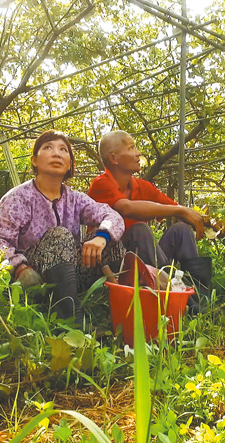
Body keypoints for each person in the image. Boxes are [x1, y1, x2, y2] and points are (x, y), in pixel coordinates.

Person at [0, 130, 124, 324]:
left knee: (113, 244)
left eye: (63, 150)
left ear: (70, 163)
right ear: (34, 160)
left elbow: (113, 216)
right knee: (60, 235)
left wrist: (101, 236)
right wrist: (19, 267)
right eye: (48, 148)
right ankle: (72, 323)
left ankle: (116, 314)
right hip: (34, 276)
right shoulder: (18, 198)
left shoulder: (76, 199)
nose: (57, 153)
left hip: (71, 276)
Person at [88, 130, 213, 311]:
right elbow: (127, 207)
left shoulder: (142, 186)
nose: (138, 153)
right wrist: (180, 210)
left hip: (147, 264)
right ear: (114, 158)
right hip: (115, 265)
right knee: (139, 229)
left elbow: (179, 211)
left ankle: (199, 297)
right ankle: (179, 298)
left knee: (181, 230)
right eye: (131, 148)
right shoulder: (101, 184)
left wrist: (211, 223)